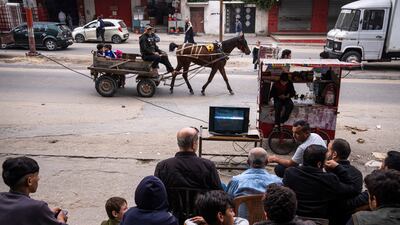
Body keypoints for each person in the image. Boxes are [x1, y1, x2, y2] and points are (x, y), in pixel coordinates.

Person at [283, 145, 358, 222]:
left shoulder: (290, 172)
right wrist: (338, 167)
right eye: (326, 159)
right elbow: (352, 189)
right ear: (319, 164)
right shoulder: (329, 179)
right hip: (318, 220)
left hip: (293, 218)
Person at [0, 156, 68, 225]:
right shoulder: (38, 207)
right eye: (37, 176)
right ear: (29, 181)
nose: (38, 178)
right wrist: (61, 219)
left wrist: (46, 214)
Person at [154, 127, 222, 190]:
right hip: (200, 203)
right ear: (193, 144)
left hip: (171, 203)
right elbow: (218, 193)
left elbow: (156, 192)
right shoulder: (208, 166)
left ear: (178, 144)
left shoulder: (162, 166)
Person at [226, 147, 282, 218]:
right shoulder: (277, 182)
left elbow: (227, 203)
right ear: (267, 162)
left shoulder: (236, 181)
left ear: (248, 162)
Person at [325, 139, 363, 225]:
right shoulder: (357, 174)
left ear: (334, 154)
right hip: (348, 218)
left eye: (328, 150)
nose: (326, 153)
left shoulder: (329, 174)